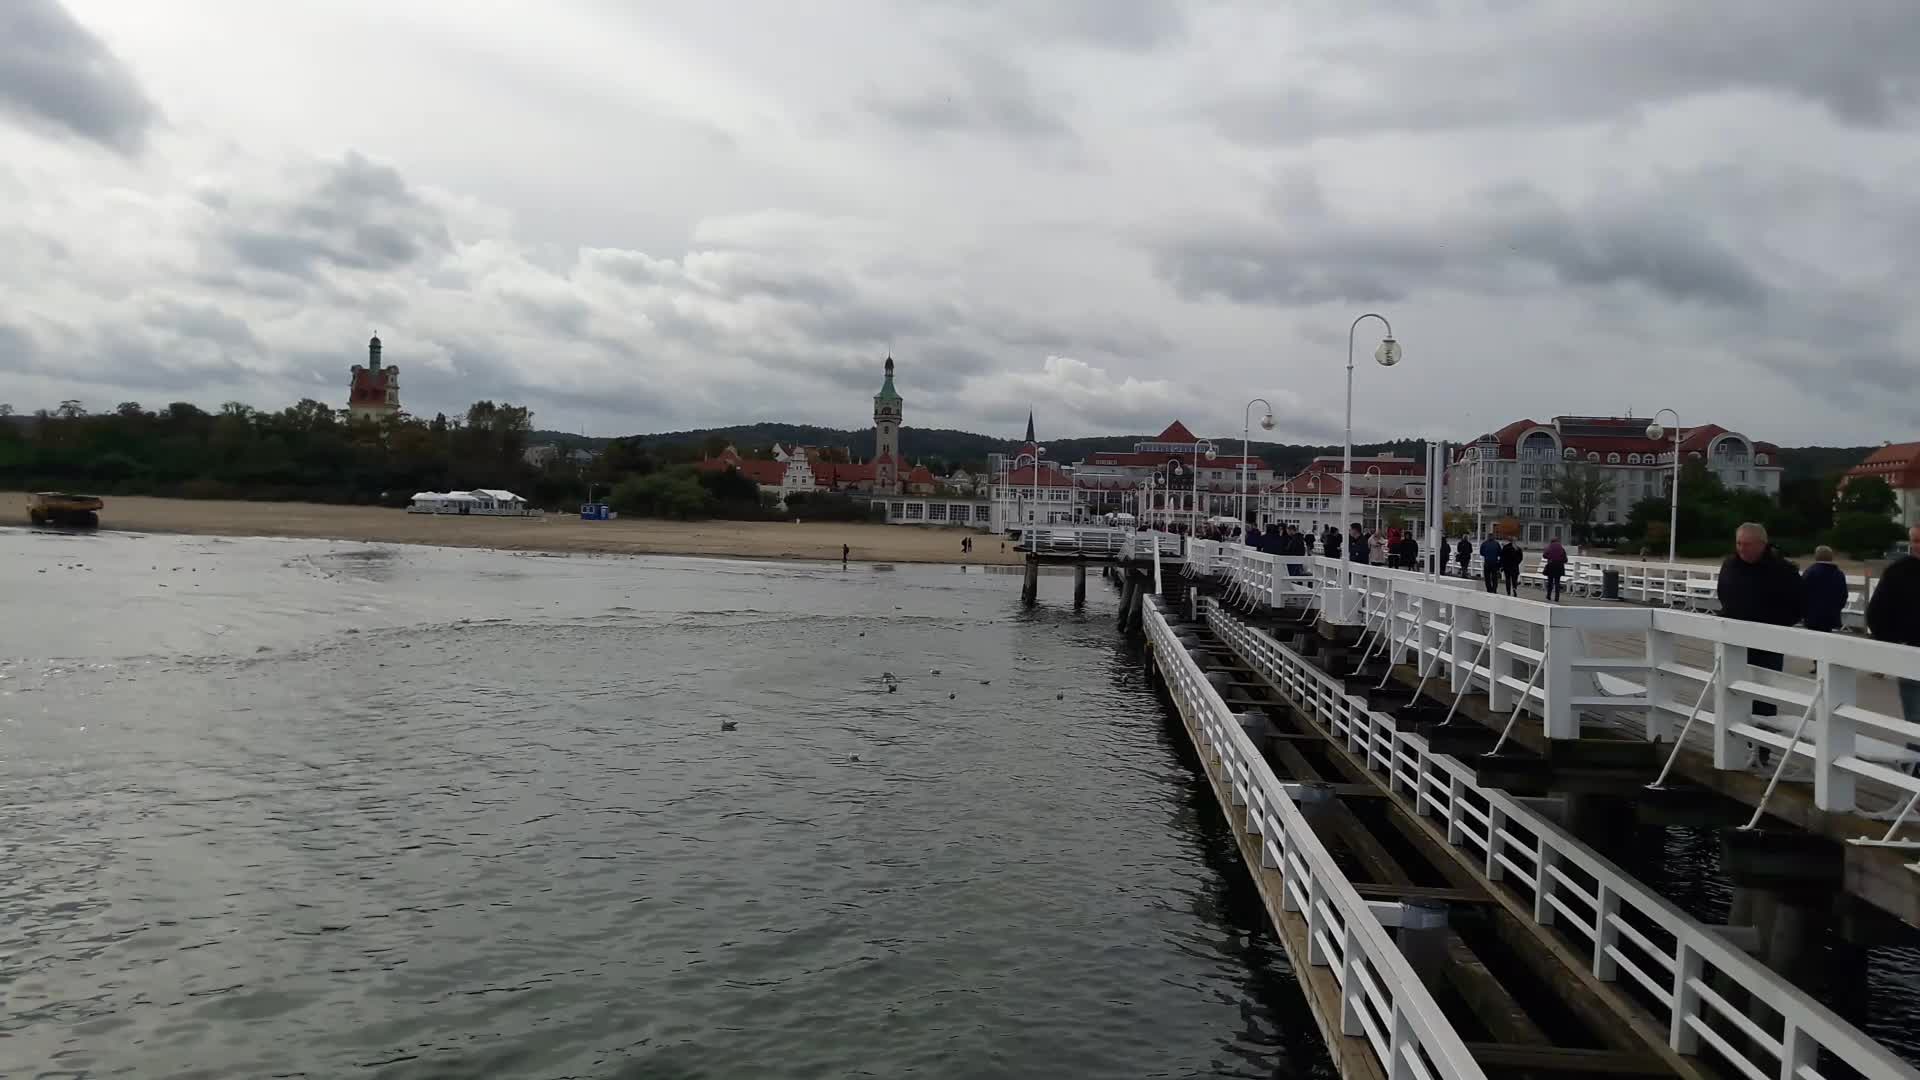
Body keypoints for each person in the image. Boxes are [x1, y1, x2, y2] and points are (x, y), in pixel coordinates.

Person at [1715, 523, 1803, 746]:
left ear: (1762, 544)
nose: (1742, 549)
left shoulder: (1783, 570)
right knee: (1733, 690)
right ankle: (1734, 742)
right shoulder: (1730, 565)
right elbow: (1724, 595)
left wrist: (1773, 624)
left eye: (1747, 544)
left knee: (1764, 695)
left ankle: (1761, 746)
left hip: (1768, 642)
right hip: (1734, 640)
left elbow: (1799, 605)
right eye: (1738, 543)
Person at [1867, 525, 1920, 733]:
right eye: (1915, 540)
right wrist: (1895, 643)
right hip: (1911, 654)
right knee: (1915, 719)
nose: (1917, 546)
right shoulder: (1897, 571)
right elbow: (1877, 614)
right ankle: (1915, 764)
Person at [1801, 545, 1848, 632]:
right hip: (1831, 616)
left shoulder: (1810, 572)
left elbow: (1802, 593)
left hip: (1812, 616)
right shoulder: (1839, 574)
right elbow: (1843, 595)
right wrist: (1836, 609)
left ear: (1816, 556)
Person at [1542, 537, 1569, 602]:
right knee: (1557, 582)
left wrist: (1551, 558)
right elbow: (1565, 560)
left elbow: (1544, 555)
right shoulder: (1561, 548)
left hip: (1551, 566)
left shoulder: (1549, 547)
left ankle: (1548, 596)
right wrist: (1559, 560)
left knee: (1550, 582)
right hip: (1559, 567)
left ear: (1551, 542)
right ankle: (1557, 597)